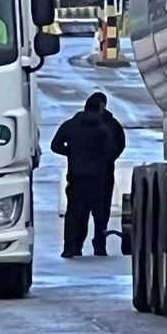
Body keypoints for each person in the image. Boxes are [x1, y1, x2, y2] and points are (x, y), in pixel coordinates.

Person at [50, 91, 126, 257]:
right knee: (101, 215)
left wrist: (71, 152)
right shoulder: (107, 127)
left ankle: (71, 247)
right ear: (102, 107)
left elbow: (55, 145)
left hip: (77, 178)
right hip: (101, 179)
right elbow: (116, 147)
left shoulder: (71, 124)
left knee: (75, 214)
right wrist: (107, 160)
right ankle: (99, 245)